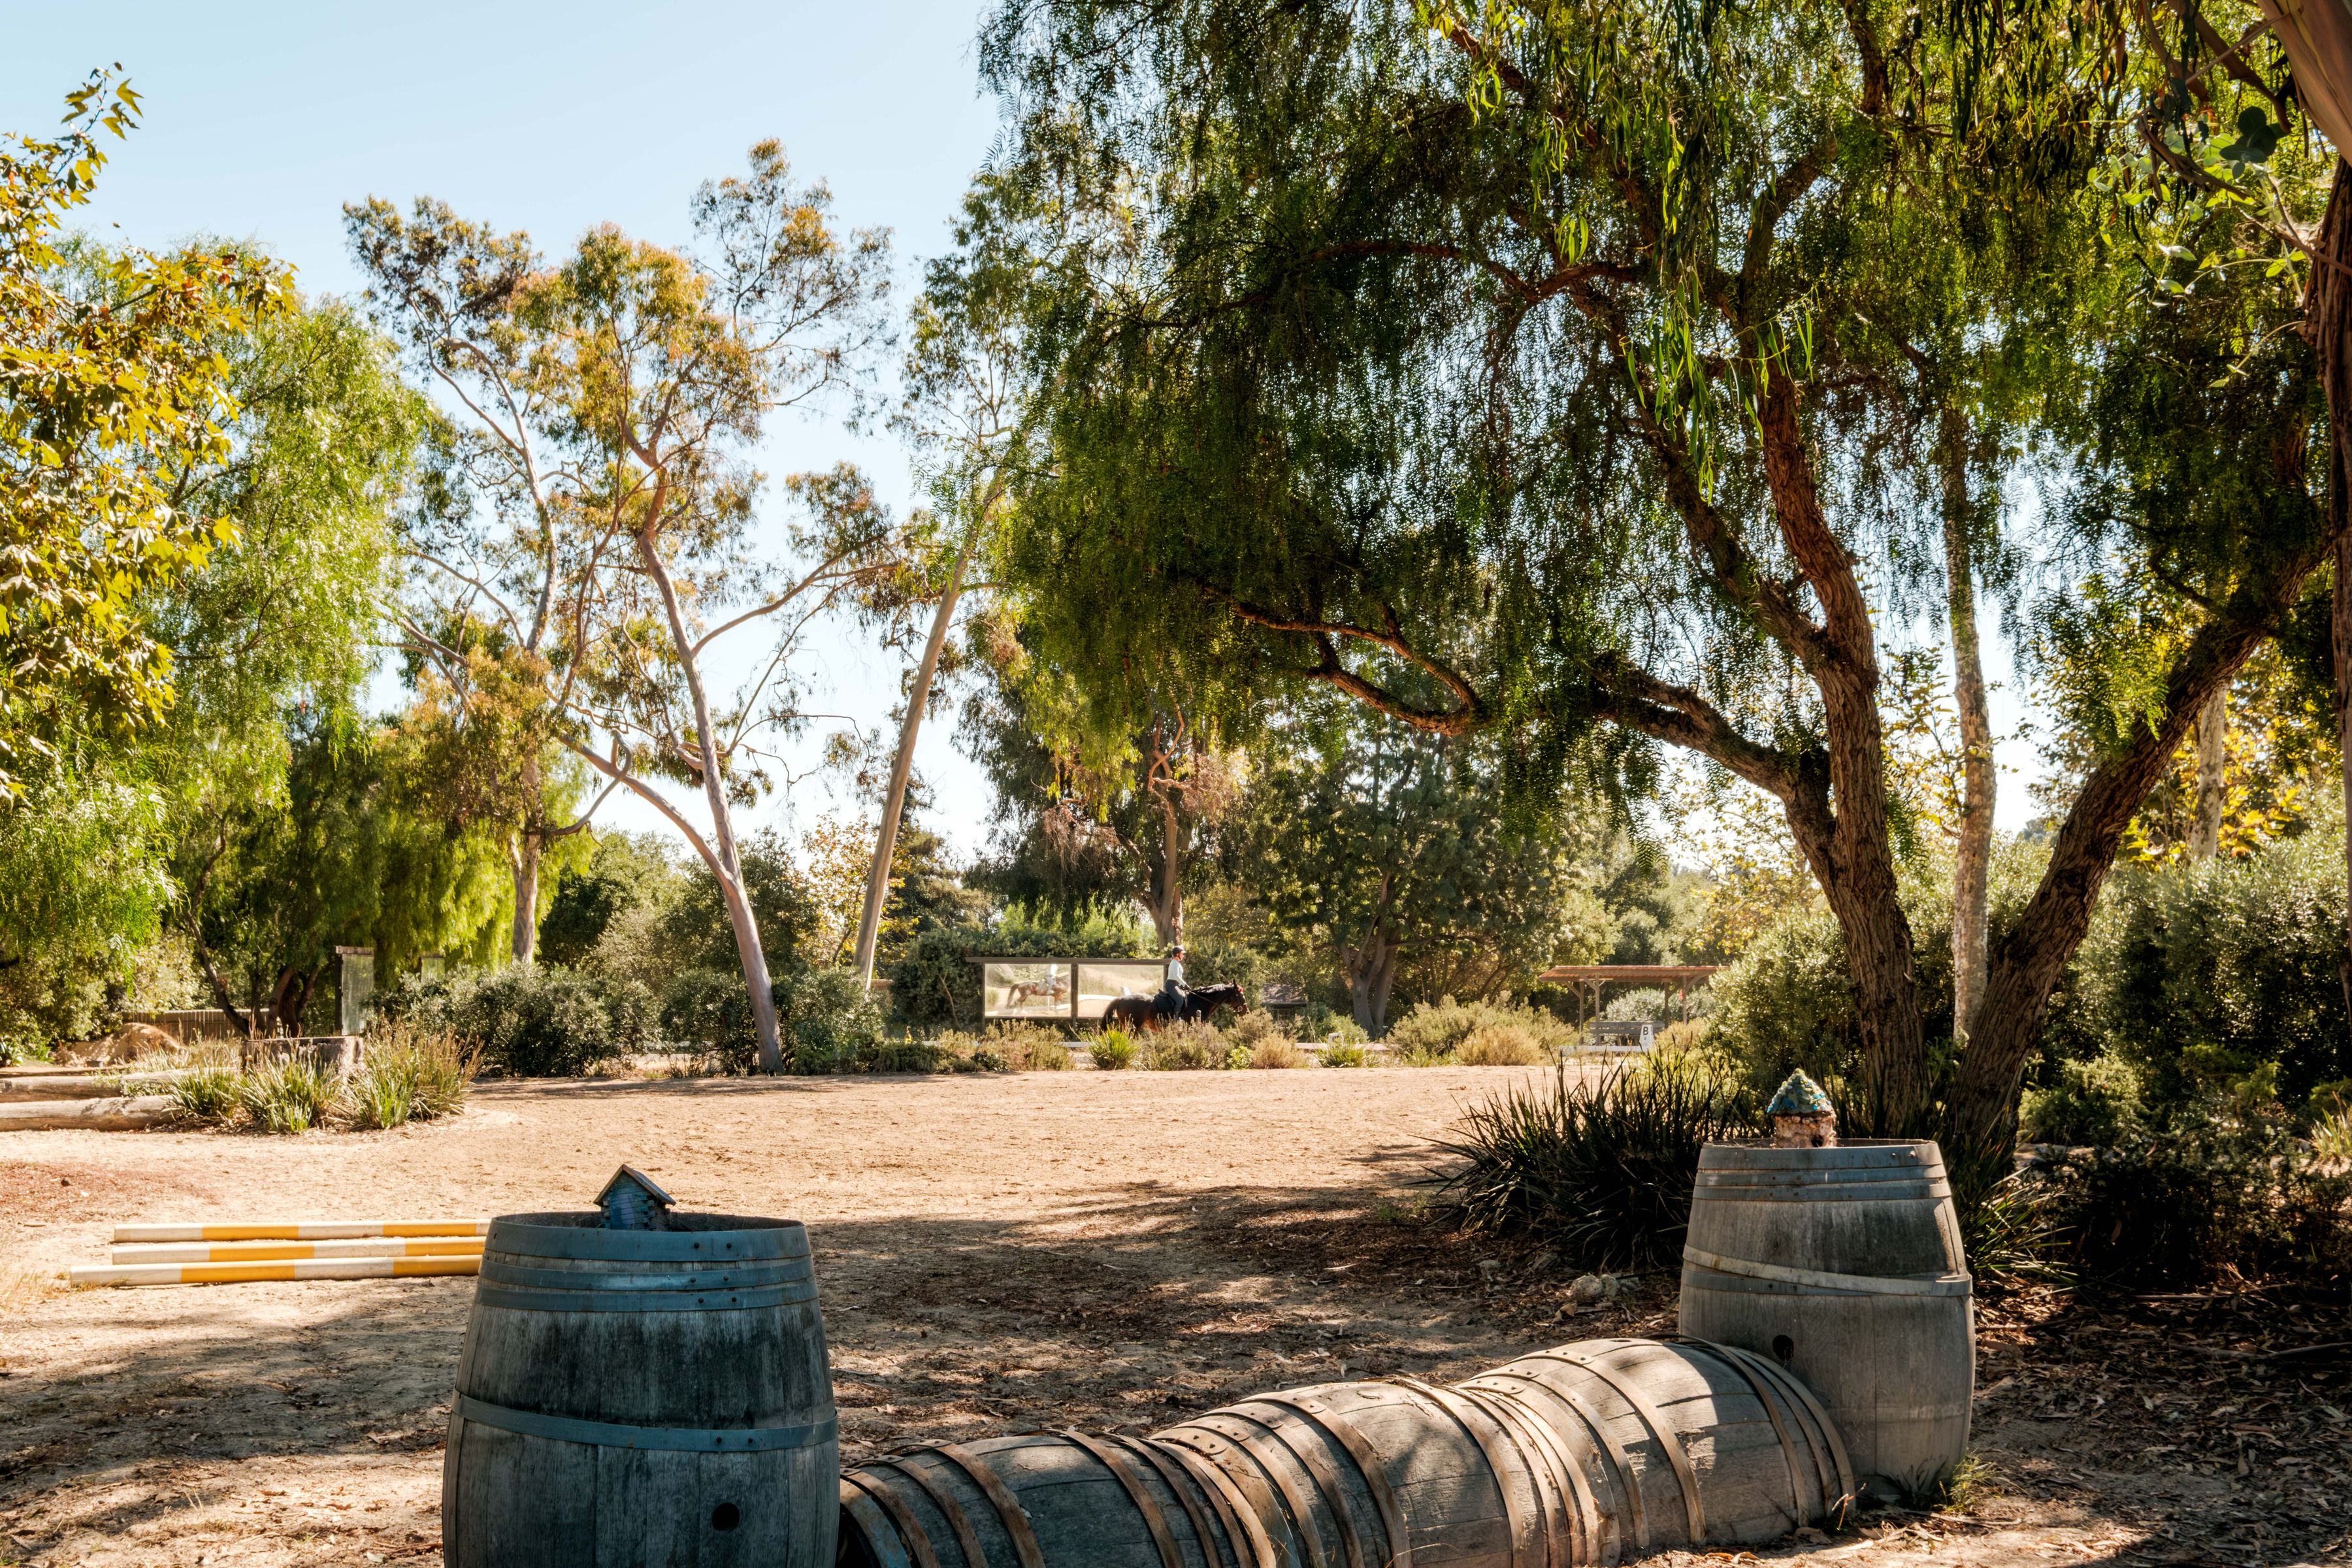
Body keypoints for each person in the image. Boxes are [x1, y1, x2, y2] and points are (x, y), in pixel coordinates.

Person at [1158, 945, 1188, 1022]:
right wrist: (1185, 984)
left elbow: (1177, 978)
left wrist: (1181, 985)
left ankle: (1179, 1017)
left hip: (1175, 984)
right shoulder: (1174, 963)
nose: (1183, 955)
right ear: (1177, 954)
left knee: (1184, 998)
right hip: (1171, 985)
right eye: (1182, 954)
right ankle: (1174, 1021)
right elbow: (1176, 976)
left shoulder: (1177, 963)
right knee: (1179, 1001)